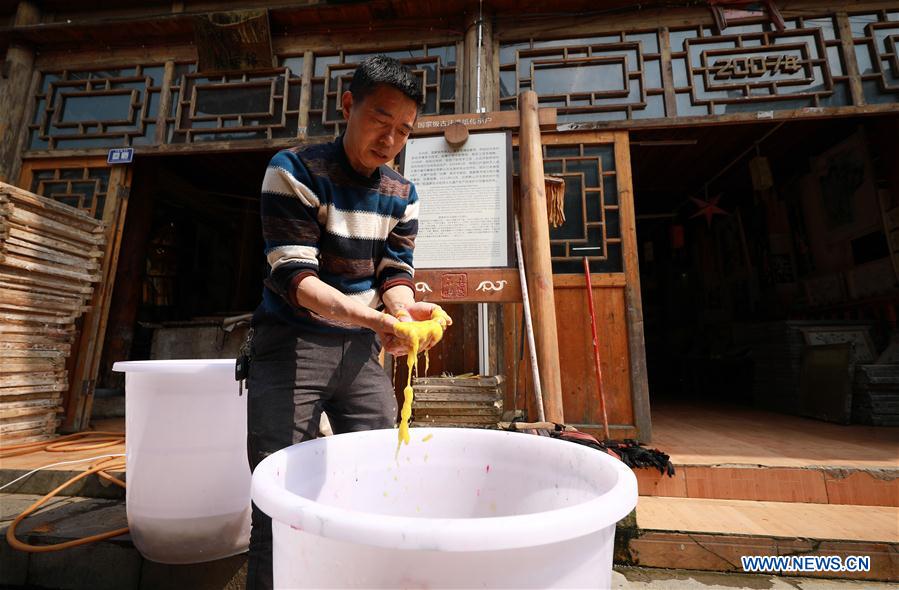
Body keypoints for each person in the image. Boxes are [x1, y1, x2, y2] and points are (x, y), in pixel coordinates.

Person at [244, 55, 445, 589]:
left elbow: (395, 271)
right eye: (381, 120)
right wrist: (375, 319)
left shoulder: (402, 193)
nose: (391, 139)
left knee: (380, 472)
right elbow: (297, 278)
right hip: (292, 342)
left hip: (358, 351)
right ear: (349, 105)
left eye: (404, 129)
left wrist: (401, 312)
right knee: (278, 491)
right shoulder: (295, 169)